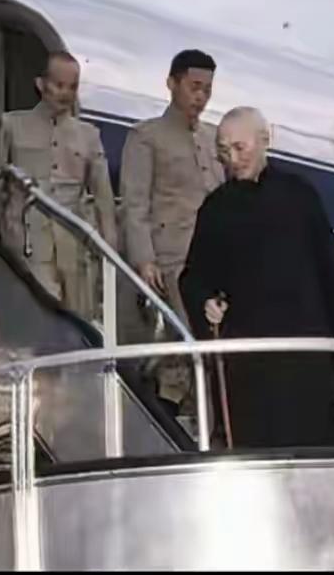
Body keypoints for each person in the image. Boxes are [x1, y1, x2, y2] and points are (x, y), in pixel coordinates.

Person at [179, 106, 334, 449]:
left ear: (265, 140)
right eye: (223, 150)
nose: (232, 159)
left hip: (303, 356)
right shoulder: (216, 207)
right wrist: (205, 301)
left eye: (240, 147)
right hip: (247, 360)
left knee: (311, 450)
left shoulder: (299, 195)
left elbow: (333, 273)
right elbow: (193, 277)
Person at [0, 50, 117, 323]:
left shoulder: (88, 136)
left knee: (76, 322)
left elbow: (104, 198)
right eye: (59, 85)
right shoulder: (11, 125)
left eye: (72, 87)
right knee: (31, 320)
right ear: (41, 84)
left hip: (74, 247)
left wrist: (109, 250)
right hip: (25, 246)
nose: (65, 93)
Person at [120, 49, 224, 414]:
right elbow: (134, 203)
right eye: (194, 87)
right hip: (173, 257)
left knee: (213, 342)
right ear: (171, 83)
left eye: (207, 89)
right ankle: (177, 410)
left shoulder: (214, 138)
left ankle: (198, 413)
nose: (201, 97)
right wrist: (144, 259)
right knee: (190, 338)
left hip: (215, 258)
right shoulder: (146, 136)